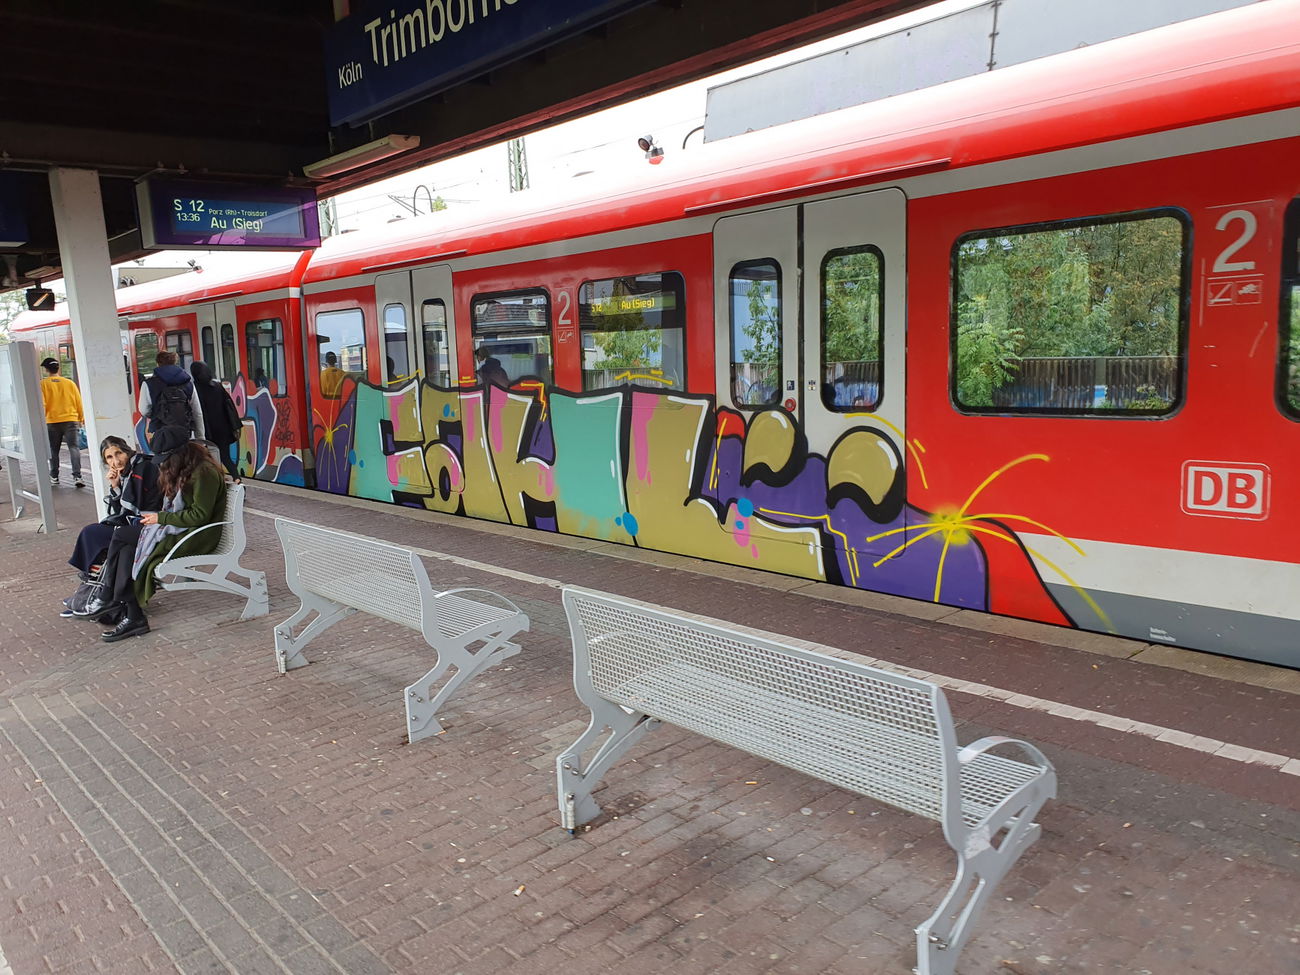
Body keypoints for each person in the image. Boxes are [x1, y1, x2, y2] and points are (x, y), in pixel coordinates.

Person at [78, 428, 228, 642]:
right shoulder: (188, 468)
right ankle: (132, 615)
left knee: (122, 537)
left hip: (197, 536)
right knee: (127, 546)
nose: (163, 463)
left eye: (166, 458)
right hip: (182, 530)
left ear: (181, 454)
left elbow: (200, 516)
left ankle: (108, 596)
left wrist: (161, 519)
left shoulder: (203, 472)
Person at [66, 436, 162, 577]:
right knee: (91, 532)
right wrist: (115, 485)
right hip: (135, 521)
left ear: (127, 452)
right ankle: (97, 571)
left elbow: (134, 506)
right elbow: (119, 511)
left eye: (119, 454)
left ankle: (100, 573)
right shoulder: (126, 474)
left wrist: (120, 489)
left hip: (150, 523)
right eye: (109, 457)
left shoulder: (142, 468)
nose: (116, 461)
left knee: (93, 532)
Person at [137, 350, 205, 445]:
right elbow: (197, 412)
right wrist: (200, 438)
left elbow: (143, 410)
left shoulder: (149, 384)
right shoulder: (188, 383)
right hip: (184, 433)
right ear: (174, 362)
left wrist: (155, 414)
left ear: (158, 363)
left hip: (161, 433)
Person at [190, 360, 243, 480]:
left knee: (210, 459)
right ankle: (237, 480)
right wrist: (234, 426)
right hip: (223, 430)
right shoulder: (217, 386)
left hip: (207, 431)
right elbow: (229, 406)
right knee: (226, 458)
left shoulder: (194, 389)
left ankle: (219, 485)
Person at [39, 357, 85, 488]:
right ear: (58, 368)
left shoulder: (43, 384)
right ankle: (77, 476)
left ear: (46, 369)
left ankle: (54, 476)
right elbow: (78, 402)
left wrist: (43, 420)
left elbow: (42, 404)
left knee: (54, 450)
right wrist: (81, 419)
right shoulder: (69, 383)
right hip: (71, 420)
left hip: (52, 421)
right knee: (74, 448)